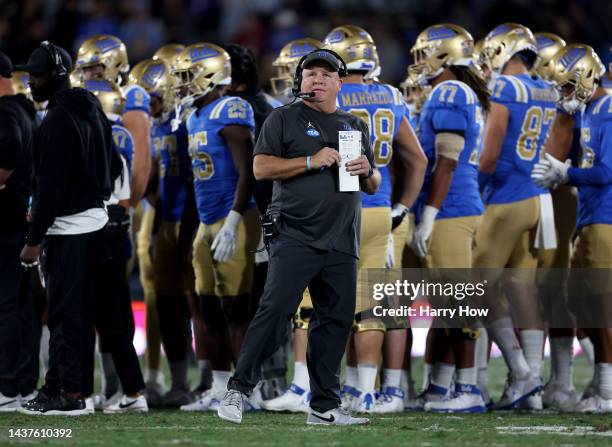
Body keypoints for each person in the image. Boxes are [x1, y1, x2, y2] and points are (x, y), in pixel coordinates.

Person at [217, 49, 379, 425]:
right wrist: (310, 160)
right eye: (310, 74)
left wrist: (368, 170)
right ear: (300, 80)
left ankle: (323, 406)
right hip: (295, 233)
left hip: (342, 238)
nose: (317, 80)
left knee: (335, 321)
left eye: (325, 74)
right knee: (274, 311)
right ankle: (238, 390)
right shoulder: (283, 118)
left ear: (340, 82)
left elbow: (372, 184)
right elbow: (260, 168)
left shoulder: (352, 124)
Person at [322, 25, 426, 414]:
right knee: (373, 305)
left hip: (345, 209)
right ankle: (362, 389)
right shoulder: (390, 94)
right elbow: (417, 160)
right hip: (382, 208)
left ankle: (356, 390)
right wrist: (403, 207)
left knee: (344, 305)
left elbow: (345, 167)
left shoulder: (332, 96)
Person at [18, 41, 121, 415]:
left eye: (37, 74)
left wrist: (34, 240)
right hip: (95, 222)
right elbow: (113, 162)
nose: (30, 81)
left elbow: (50, 188)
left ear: (56, 76)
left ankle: (70, 395)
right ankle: (65, 388)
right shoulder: (90, 105)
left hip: (68, 229)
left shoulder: (58, 120)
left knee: (64, 315)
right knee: (76, 314)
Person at [172, 43, 261, 412]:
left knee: (236, 309)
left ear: (210, 74)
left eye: (187, 75)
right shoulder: (196, 114)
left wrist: (235, 219)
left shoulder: (231, 108)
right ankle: (219, 388)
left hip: (234, 218)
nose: (182, 83)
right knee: (207, 307)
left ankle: (243, 392)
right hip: (208, 221)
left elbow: (248, 171)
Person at [406, 23, 489, 413]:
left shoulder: (450, 91)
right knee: (446, 305)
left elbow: (447, 162)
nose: (418, 62)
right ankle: (440, 387)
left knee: (459, 304)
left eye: (425, 54)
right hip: (455, 206)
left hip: (452, 208)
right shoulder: (456, 91)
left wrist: (430, 215)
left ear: (444, 55)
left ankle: (469, 389)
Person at [476, 23, 557, 410]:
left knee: (477, 287)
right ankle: (533, 387)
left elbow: (489, 155)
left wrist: (474, 181)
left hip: (506, 197)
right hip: (539, 198)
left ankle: (521, 373)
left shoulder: (505, 88)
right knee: (523, 290)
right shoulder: (547, 88)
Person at [532, 44, 612, 413]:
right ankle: (600, 380)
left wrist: (567, 174)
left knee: (601, 303)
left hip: (606, 217)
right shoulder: (591, 110)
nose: (564, 94)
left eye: (567, 87)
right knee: (581, 301)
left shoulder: (608, 109)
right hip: (590, 216)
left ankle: (608, 388)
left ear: (584, 78)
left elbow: (607, 172)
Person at [0, 50, 37, 412]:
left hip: (6, 221)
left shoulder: (7, 112)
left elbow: (7, 152)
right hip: (20, 220)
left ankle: (7, 386)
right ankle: (22, 384)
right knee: (19, 308)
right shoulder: (24, 111)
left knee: (6, 307)